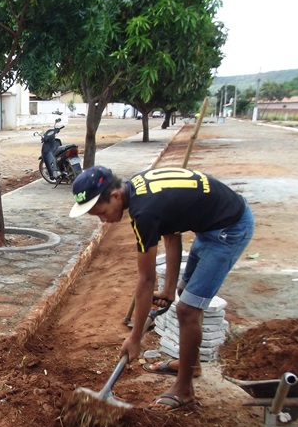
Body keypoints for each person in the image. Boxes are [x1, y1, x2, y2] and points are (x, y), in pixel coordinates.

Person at [68, 165, 254, 411]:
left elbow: (146, 280)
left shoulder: (144, 212)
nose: (103, 220)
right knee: (182, 294)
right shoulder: (137, 189)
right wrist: (167, 290)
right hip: (211, 227)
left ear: (114, 196)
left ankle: (184, 389)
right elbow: (172, 234)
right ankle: (193, 364)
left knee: (188, 309)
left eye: (101, 212)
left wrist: (135, 338)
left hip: (228, 231)